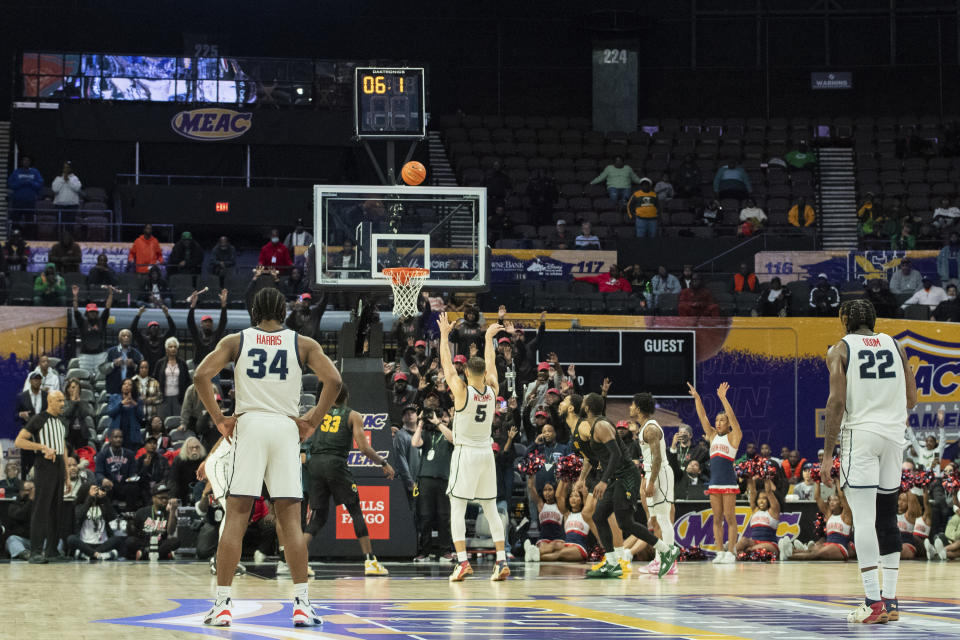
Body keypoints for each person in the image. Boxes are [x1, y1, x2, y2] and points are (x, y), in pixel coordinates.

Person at [194, 286, 341, 628]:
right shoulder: (303, 343)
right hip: (285, 427)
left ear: (254, 310)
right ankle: (302, 604)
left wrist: (218, 418)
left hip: (250, 424)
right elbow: (333, 380)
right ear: (284, 311)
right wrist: (312, 422)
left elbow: (201, 374)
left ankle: (222, 605)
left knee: (236, 518)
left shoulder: (237, 340)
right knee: (290, 522)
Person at [820, 299, 917, 623]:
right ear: (874, 320)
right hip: (893, 437)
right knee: (887, 518)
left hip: (860, 436)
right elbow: (912, 399)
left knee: (862, 519)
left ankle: (871, 603)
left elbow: (835, 403)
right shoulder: (895, 345)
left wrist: (828, 454)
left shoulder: (840, 350)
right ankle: (890, 602)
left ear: (844, 319)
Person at [568, 392, 680, 578]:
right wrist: (583, 478)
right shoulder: (603, 426)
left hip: (635, 475)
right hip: (628, 475)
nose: (629, 407)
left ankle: (666, 552)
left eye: (632, 404)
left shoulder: (643, 428)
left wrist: (604, 481)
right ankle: (613, 563)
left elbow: (627, 456)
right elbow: (595, 457)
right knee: (598, 516)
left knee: (641, 520)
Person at [436, 313, 511, 582]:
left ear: (467, 372)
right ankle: (501, 561)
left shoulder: (461, 390)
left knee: (457, 507)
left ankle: (463, 562)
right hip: (486, 454)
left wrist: (445, 335)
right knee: (491, 509)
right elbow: (491, 364)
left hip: (466, 452)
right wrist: (489, 338)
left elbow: (446, 366)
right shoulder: (492, 389)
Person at [303, 383, 395, 575]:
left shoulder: (315, 411)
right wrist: (383, 462)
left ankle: (298, 560)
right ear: (346, 397)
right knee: (355, 510)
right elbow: (364, 448)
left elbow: (296, 427)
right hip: (335, 463)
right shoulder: (353, 415)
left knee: (318, 516)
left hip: (315, 464)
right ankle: (370, 562)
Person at [688, 381, 742, 564]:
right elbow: (703, 416)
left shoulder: (734, 436)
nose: (718, 423)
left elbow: (733, 418)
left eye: (722, 420)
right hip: (714, 483)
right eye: (717, 420)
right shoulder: (711, 436)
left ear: (728, 424)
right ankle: (720, 551)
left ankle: (731, 552)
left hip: (728, 483)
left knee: (729, 517)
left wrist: (723, 399)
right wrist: (697, 398)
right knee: (717, 518)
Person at [14, 390, 69, 563]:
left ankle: (52, 550)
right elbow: (19, 441)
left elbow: (64, 448)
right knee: (41, 509)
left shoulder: (61, 422)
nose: (63, 404)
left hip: (59, 464)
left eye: (63, 400)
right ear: (50, 401)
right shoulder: (39, 419)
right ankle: (35, 552)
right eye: (59, 400)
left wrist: (67, 475)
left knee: (56, 510)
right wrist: (42, 447)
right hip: (44, 465)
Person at [632, 392, 678, 576]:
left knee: (664, 519)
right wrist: (646, 477)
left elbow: (658, 458)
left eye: (632, 404)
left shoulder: (651, 429)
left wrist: (651, 482)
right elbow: (650, 460)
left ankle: (670, 562)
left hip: (661, 475)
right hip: (653, 473)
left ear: (639, 408)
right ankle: (659, 560)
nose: (630, 408)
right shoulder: (644, 427)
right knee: (657, 520)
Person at [411, 408, 454, 561]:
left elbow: (454, 439)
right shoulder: (427, 434)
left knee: (444, 516)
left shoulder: (449, 433)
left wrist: (438, 423)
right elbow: (415, 443)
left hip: (444, 479)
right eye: (438, 416)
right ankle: (425, 550)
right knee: (425, 516)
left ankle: (445, 550)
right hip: (425, 479)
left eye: (444, 416)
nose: (440, 418)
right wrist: (421, 423)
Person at [780, 483, 853, 561]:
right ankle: (790, 551)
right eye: (830, 500)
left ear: (841, 503)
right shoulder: (829, 515)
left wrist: (838, 481)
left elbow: (843, 497)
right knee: (812, 551)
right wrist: (817, 481)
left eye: (835, 500)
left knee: (816, 554)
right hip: (828, 544)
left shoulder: (846, 516)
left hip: (839, 547)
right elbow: (817, 498)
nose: (831, 502)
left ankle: (788, 556)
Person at [66, 483, 124, 560]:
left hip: (102, 544)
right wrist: (90, 498)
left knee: (118, 539)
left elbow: (113, 517)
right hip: (85, 544)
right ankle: (102, 555)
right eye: (93, 490)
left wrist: (104, 498)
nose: (95, 492)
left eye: (97, 490)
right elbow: (79, 516)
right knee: (71, 539)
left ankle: (89, 555)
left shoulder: (103, 505)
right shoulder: (80, 505)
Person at [124, 482, 180, 560]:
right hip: (145, 543)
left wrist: (173, 510)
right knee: (129, 541)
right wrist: (129, 524)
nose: (164, 500)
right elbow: (133, 534)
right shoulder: (142, 512)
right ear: (153, 498)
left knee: (175, 541)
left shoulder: (169, 513)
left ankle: (145, 554)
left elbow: (171, 531)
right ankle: (161, 554)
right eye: (161, 498)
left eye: (166, 498)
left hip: (160, 544)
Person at [735, 477, 782, 556]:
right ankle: (731, 552)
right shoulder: (755, 510)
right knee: (743, 540)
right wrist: (749, 475)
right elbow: (752, 491)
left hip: (769, 544)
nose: (761, 501)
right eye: (759, 498)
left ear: (769, 500)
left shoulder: (773, 511)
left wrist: (765, 476)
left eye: (764, 498)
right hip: (754, 542)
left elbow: (769, 491)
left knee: (762, 547)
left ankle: (747, 551)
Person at [94, 429, 140, 507]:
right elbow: (98, 472)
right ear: (110, 438)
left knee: (133, 488)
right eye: (115, 437)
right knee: (105, 488)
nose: (118, 439)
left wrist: (132, 478)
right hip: (110, 485)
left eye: (120, 437)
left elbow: (133, 472)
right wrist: (103, 479)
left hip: (125, 484)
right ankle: (107, 515)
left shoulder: (130, 454)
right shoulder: (102, 454)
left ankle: (130, 513)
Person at [188, 288, 228, 364]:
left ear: (212, 324)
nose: (208, 324)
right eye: (205, 322)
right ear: (201, 324)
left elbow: (223, 322)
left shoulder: (215, 336)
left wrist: (223, 305)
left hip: (212, 368)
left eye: (209, 322)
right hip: (199, 367)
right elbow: (191, 324)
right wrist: (193, 305)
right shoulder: (198, 336)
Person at [152, 337, 190, 420]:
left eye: (175, 346)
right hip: (163, 398)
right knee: (164, 422)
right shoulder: (160, 363)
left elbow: (188, 381)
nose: (173, 349)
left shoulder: (182, 363)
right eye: (170, 347)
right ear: (166, 349)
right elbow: (155, 380)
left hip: (179, 398)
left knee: (177, 421)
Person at [131, 304, 176, 369]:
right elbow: (133, 329)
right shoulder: (144, 340)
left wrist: (167, 314)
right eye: (152, 327)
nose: (154, 328)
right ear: (148, 330)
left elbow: (173, 329)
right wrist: (139, 314)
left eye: (156, 327)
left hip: (160, 369)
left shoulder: (163, 339)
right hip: (146, 369)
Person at [108, 378, 145, 448]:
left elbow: (141, 416)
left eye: (129, 385)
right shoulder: (114, 398)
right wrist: (121, 404)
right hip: (118, 432)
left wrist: (134, 403)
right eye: (124, 384)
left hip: (132, 434)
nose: (126, 386)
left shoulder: (138, 401)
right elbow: (111, 413)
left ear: (133, 388)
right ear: (121, 387)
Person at [103, 328, 142, 395]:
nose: (126, 337)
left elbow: (143, 371)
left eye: (128, 336)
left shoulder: (137, 354)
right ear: (119, 338)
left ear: (131, 339)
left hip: (131, 390)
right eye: (124, 336)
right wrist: (113, 364)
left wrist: (134, 366)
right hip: (113, 389)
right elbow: (102, 369)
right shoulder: (110, 352)